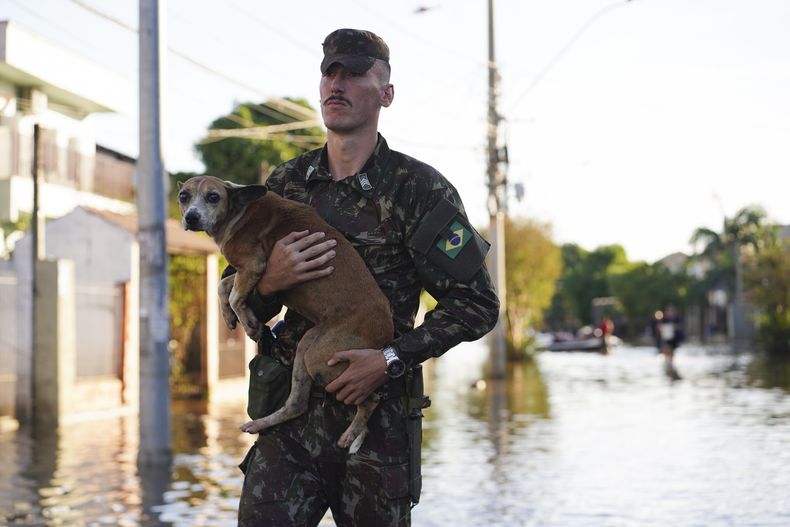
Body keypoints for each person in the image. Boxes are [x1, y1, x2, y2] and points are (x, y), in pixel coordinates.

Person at [232, 28, 500, 526]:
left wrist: (393, 359)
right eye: (329, 72)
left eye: (354, 73)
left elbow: (478, 305)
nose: (337, 83)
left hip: (375, 424)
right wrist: (270, 281)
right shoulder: (283, 185)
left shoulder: (420, 189)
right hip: (287, 423)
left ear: (387, 93)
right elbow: (236, 304)